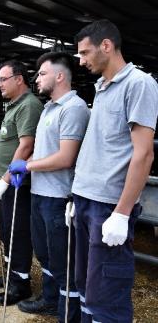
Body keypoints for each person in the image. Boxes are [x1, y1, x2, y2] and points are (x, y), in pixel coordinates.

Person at [72, 19, 158, 322]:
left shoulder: (139, 83)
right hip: (86, 199)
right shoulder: (102, 87)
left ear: (106, 46)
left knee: (106, 293)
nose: (81, 61)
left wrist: (121, 214)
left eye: (85, 53)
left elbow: (144, 153)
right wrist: (78, 194)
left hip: (108, 205)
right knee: (85, 286)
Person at [8, 52, 90, 322]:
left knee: (64, 259)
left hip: (59, 197)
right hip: (39, 193)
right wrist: (25, 164)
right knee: (45, 253)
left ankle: (68, 313)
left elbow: (66, 157)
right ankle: (51, 299)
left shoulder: (74, 108)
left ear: (59, 75)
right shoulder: (47, 109)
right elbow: (42, 151)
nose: (37, 79)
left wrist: (27, 167)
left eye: (42, 73)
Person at [0, 60, 44, 305]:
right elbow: (9, 138)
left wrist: (6, 179)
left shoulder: (29, 105)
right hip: (7, 182)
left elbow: (27, 145)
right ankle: (10, 275)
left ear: (19, 79)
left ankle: (20, 285)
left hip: (18, 184)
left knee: (18, 232)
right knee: (7, 231)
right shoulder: (14, 105)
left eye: (3, 79)